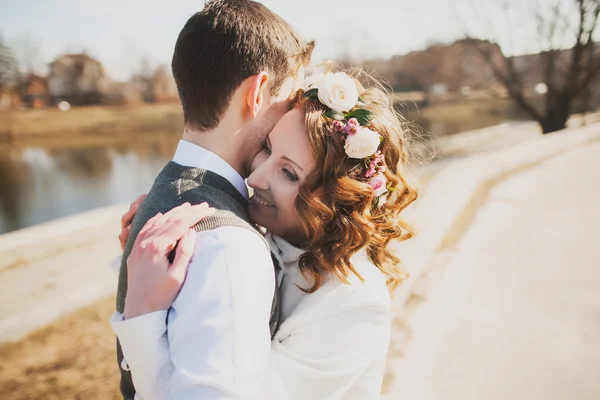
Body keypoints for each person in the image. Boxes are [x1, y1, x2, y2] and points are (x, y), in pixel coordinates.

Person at [112, 67, 418, 399]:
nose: (256, 177)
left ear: (340, 200)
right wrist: (151, 255)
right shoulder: (267, 237)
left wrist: (143, 314)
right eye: (268, 149)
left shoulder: (352, 303)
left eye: (288, 172)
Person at [113, 1, 314, 399]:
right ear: (257, 93)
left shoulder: (165, 189)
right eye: (290, 96)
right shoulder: (226, 244)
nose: (296, 111)